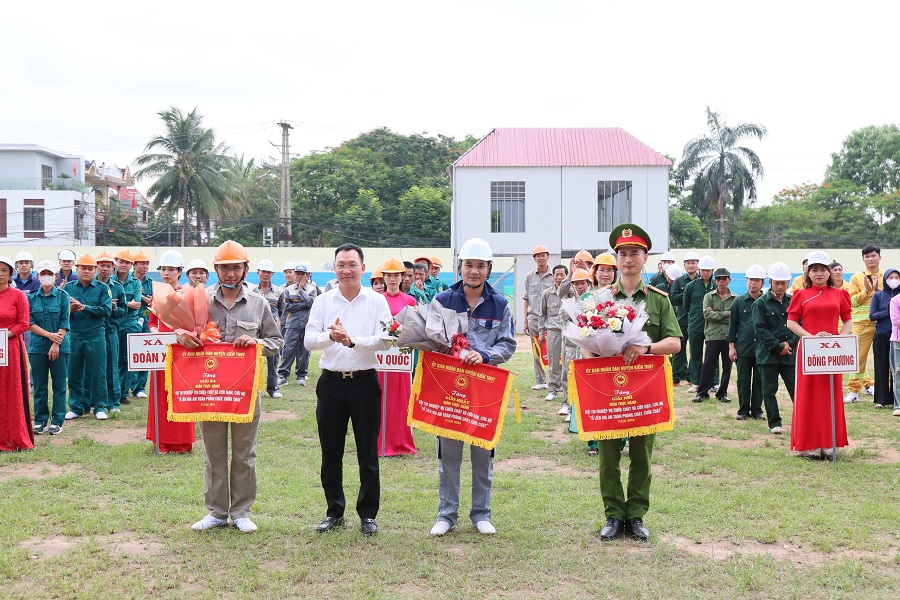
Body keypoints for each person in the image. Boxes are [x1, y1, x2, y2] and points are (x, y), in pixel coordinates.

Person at [181, 240, 283, 533]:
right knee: (213, 452)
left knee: (243, 453)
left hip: (245, 392)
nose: (229, 273)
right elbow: (182, 332)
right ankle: (216, 512)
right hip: (209, 390)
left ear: (244, 269)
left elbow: (276, 342)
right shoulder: (199, 300)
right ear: (216, 269)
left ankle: (241, 512)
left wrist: (257, 342)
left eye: (235, 267)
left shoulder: (259, 303)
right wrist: (181, 334)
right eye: (224, 268)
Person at [598, 224, 681, 542]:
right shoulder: (601, 300)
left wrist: (645, 348)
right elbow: (588, 344)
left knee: (641, 455)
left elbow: (674, 342)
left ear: (646, 258)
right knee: (607, 455)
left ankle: (635, 516)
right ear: (616, 259)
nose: (628, 258)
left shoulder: (658, 300)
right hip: (608, 389)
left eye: (635, 253)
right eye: (622, 253)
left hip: (646, 389)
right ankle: (613, 515)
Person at [428, 238, 516, 537]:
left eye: (480, 266)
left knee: (483, 454)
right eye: (469, 265)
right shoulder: (442, 301)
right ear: (461, 267)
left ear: (489, 269)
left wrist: (487, 355)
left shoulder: (500, 304)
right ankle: (446, 515)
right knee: (448, 454)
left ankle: (481, 514)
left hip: (485, 390)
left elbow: (508, 343)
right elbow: (431, 340)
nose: (474, 271)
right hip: (451, 389)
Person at [306, 243, 392, 536]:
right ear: (334, 268)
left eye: (352, 264)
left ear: (363, 268)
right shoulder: (323, 301)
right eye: (341, 265)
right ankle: (334, 512)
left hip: (365, 383)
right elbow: (308, 340)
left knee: (367, 452)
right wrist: (331, 336)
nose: (346, 270)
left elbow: (386, 339)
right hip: (330, 384)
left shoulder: (377, 301)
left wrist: (353, 341)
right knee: (331, 452)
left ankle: (368, 515)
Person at [786, 251, 852, 460]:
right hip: (809, 350)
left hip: (832, 352)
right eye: (814, 269)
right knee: (808, 396)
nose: (819, 273)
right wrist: (811, 337)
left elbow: (848, 320)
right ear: (808, 272)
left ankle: (830, 444)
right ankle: (810, 446)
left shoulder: (840, 294)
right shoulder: (800, 295)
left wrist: (839, 340)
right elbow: (791, 322)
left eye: (823, 269)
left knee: (831, 394)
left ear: (830, 272)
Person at [147, 250, 196, 453]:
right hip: (161, 350)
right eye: (163, 269)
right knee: (161, 394)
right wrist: (156, 332)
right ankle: (162, 440)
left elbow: (195, 323)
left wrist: (180, 333)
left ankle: (182, 441)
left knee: (181, 394)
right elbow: (152, 322)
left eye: (171, 269)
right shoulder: (156, 294)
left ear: (179, 272)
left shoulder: (188, 294)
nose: (166, 273)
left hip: (182, 350)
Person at [377, 257, 417, 456]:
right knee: (380, 397)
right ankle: (380, 440)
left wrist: (401, 330)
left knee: (402, 397)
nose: (392, 279)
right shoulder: (377, 300)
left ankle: (401, 441)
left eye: (396, 275)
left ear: (402, 277)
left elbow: (413, 327)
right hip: (381, 357)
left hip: (401, 357)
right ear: (383, 278)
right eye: (389, 276)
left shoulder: (409, 301)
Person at [752, 262, 798, 435]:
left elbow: (799, 325)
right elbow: (759, 329)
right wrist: (778, 346)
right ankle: (774, 422)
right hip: (768, 354)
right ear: (770, 282)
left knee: (796, 389)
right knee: (769, 390)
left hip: (789, 354)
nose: (780, 286)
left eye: (783, 282)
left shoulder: (793, 302)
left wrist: (790, 344)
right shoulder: (760, 304)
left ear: (788, 283)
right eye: (777, 282)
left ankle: (800, 420)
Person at [64, 254, 111, 421]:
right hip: (74, 335)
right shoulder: (68, 288)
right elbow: (62, 313)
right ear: (76, 269)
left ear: (95, 270)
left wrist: (85, 308)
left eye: (90, 268)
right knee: (74, 372)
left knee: (98, 372)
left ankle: (99, 406)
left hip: (95, 335)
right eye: (83, 268)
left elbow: (106, 310)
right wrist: (72, 310)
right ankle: (76, 407)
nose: (87, 271)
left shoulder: (102, 288)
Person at [29, 260, 70, 436]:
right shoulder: (30, 297)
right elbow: (29, 323)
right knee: (39, 386)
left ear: (56, 276)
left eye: (50, 274)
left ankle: (57, 421)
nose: (47, 277)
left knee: (60, 385)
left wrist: (55, 342)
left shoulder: (63, 296)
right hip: (38, 347)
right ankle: (40, 420)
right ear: (38, 277)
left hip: (60, 347)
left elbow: (64, 321)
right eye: (43, 274)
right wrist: (49, 336)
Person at [0, 255, 33, 451]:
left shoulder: (18, 295)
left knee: (11, 391)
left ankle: (14, 436)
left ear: (11, 273)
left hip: (11, 348)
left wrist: (4, 336)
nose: (0, 274)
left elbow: (24, 323)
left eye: (4, 270)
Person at [844, 245, 883, 403]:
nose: (870, 259)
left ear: (880, 257)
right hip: (862, 323)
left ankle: (886, 391)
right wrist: (865, 291)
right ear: (863, 259)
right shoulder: (856, 278)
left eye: (873, 255)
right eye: (867, 256)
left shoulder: (888, 275)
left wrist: (878, 290)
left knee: (885, 357)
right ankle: (853, 391)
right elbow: (852, 302)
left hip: (883, 323)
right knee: (858, 358)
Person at [727, 264, 766, 420]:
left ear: (763, 282)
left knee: (760, 380)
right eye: (750, 280)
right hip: (743, 347)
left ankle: (757, 410)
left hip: (763, 348)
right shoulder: (739, 302)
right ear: (746, 281)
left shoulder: (767, 301)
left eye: (756, 280)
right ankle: (743, 410)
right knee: (743, 380)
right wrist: (731, 347)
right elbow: (733, 325)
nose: (753, 283)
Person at [693, 268, 735, 403]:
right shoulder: (709, 296)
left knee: (727, 366)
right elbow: (707, 315)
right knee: (708, 365)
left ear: (729, 280)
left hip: (728, 336)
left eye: (724, 278)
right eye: (718, 279)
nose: (721, 281)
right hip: (712, 335)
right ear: (715, 281)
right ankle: (702, 392)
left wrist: (717, 313)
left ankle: (722, 393)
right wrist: (727, 313)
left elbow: (735, 318)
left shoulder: (735, 298)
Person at [95, 251, 126, 416]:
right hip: (93, 331)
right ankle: (90, 401)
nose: (105, 269)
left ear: (113, 268)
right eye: (102, 266)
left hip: (111, 330)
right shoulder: (90, 285)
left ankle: (114, 402)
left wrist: (115, 309)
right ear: (96, 267)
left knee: (112, 366)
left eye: (108, 266)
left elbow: (124, 310)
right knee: (93, 368)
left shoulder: (117, 288)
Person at [278, 261, 317, 387]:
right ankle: (283, 375)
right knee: (288, 350)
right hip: (292, 324)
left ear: (307, 275)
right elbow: (287, 307)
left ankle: (301, 375)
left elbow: (311, 304)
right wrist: (302, 305)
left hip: (307, 325)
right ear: (295, 275)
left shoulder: (312, 289)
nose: (300, 276)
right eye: (298, 274)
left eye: (303, 274)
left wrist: (301, 291)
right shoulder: (288, 290)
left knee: (304, 352)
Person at [683, 256, 718, 392]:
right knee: (695, 354)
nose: (705, 273)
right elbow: (686, 305)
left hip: (713, 326)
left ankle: (714, 382)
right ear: (699, 270)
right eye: (703, 270)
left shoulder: (716, 286)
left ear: (712, 271)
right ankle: (696, 382)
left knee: (713, 355)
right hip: (695, 325)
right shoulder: (690, 286)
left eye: (708, 270)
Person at [524, 244, 554, 391]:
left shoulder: (555, 275)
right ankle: (540, 381)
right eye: (538, 255)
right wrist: (525, 320)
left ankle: (555, 381)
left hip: (551, 319)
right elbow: (526, 298)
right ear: (534, 258)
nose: (541, 258)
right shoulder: (530, 276)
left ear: (548, 257)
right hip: (534, 318)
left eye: (543, 255)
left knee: (553, 349)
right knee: (536, 349)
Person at [539, 265, 570, 404]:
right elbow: (542, 314)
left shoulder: (570, 292)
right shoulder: (546, 293)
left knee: (567, 363)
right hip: (552, 331)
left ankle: (566, 389)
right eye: (556, 274)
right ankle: (552, 390)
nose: (559, 277)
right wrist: (541, 333)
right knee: (553, 363)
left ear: (566, 276)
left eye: (562, 275)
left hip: (568, 332)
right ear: (553, 276)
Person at [114, 250, 142, 406]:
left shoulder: (136, 283)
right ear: (116, 263)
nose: (123, 265)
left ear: (131, 265)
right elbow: (107, 302)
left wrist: (119, 303)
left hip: (130, 326)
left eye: (127, 262)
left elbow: (136, 304)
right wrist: (127, 303)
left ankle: (123, 393)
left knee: (126, 361)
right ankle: (112, 392)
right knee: (112, 360)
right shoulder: (109, 281)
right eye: (121, 261)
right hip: (112, 325)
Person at [869, 269, 900, 409]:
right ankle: (881, 399)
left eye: (896, 277)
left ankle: (896, 398)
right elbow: (872, 315)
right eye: (891, 277)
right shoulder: (878, 295)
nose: (893, 279)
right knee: (881, 366)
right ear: (885, 279)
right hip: (881, 335)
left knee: (897, 368)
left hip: (897, 337)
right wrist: (890, 310)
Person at [254, 259, 283, 399]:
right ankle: (254, 388)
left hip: (271, 329)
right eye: (263, 272)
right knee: (253, 359)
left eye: (269, 272)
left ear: (272, 274)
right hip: (255, 329)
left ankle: (273, 389)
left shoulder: (278, 292)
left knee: (273, 359)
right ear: (258, 272)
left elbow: (282, 311)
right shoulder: (251, 291)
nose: (266, 275)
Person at [670, 251, 699, 386]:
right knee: (678, 349)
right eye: (688, 263)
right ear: (684, 265)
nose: (690, 265)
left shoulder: (701, 282)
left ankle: (691, 378)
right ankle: (675, 378)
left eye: (693, 263)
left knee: (695, 351)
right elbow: (673, 297)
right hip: (681, 319)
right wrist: (688, 295)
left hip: (697, 321)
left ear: (697, 265)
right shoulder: (678, 281)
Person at [130, 250, 153, 399]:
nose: (145, 266)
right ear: (134, 265)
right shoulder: (127, 281)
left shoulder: (151, 283)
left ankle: (139, 387)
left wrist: (141, 296)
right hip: (130, 321)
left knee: (145, 354)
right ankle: (126, 386)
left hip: (146, 321)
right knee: (128, 355)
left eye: (147, 263)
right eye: (142, 263)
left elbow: (153, 302)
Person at [889, 291, 900, 417]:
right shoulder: (896, 300)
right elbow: (896, 321)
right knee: (898, 373)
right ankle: (898, 405)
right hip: (898, 342)